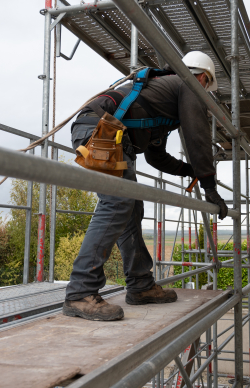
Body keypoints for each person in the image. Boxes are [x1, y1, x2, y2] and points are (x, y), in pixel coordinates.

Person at [62, 51, 229, 321]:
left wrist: (188, 170)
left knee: (130, 208)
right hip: (101, 130)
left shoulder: (161, 97)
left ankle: (140, 285)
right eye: (206, 85)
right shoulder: (186, 85)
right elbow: (197, 137)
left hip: (107, 133)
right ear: (202, 77)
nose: (204, 91)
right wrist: (209, 185)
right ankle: (81, 292)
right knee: (117, 204)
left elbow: (156, 156)